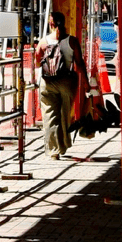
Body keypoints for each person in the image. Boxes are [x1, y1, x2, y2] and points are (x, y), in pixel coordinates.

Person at [36, 10, 85, 159]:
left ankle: (54, 151)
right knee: (64, 114)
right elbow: (79, 63)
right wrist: (87, 83)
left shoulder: (43, 41)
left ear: (50, 24)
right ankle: (64, 145)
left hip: (47, 82)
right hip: (67, 82)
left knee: (50, 116)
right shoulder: (72, 41)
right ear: (64, 22)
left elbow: (37, 62)